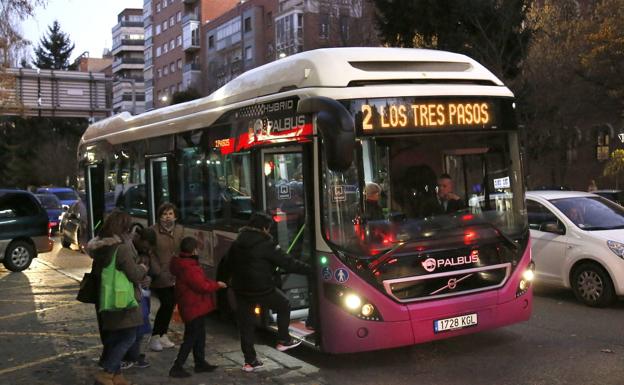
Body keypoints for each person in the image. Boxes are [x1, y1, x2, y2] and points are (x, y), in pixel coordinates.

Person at [222, 212, 311, 372]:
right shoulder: (266, 244)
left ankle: (250, 361)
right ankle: (283, 339)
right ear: (264, 228)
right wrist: (311, 270)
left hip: (241, 288)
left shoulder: (237, 242)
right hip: (261, 288)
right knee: (284, 304)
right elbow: (288, 263)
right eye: (269, 228)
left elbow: (227, 263)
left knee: (246, 325)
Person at [87, 210, 148, 385]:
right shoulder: (121, 248)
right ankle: (107, 372)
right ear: (123, 228)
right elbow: (135, 274)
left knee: (114, 338)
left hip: (106, 298)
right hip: (123, 300)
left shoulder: (100, 248)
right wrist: (143, 267)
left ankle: (116, 376)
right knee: (129, 336)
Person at [168, 236, 227, 378]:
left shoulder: (184, 263)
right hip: (193, 306)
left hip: (193, 305)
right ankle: (177, 366)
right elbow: (201, 286)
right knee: (191, 337)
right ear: (194, 250)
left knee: (199, 334)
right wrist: (217, 285)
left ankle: (200, 362)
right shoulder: (190, 267)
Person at [121, 227, 158, 370]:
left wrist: (148, 277)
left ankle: (136, 355)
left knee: (141, 327)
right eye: (145, 246)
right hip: (132, 293)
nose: (146, 249)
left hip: (142, 293)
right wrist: (142, 272)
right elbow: (133, 273)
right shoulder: (128, 250)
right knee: (134, 327)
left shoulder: (144, 253)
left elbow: (153, 272)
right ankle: (131, 356)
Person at [149, 202, 184, 352]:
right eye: (164, 214)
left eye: (170, 214)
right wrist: (157, 269)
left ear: (175, 215)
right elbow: (149, 252)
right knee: (166, 303)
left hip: (176, 273)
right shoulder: (153, 231)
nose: (167, 217)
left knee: (171, 304)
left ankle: (163, 334)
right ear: (159, 216)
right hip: (160, 274)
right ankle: (155, 336)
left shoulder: (180, 230)